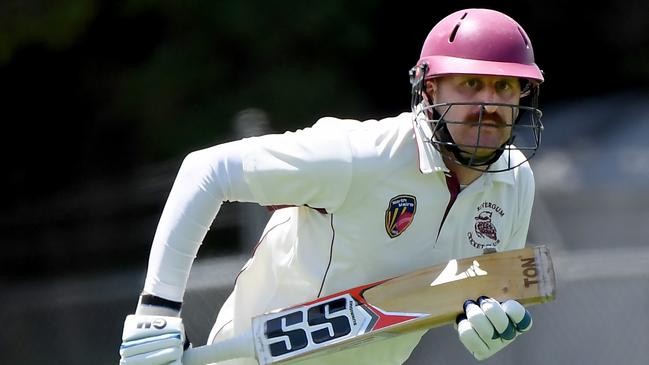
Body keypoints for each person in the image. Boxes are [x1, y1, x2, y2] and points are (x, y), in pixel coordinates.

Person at [119, 7, 545, 365]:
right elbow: (207, 170)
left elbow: (491, 294)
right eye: (471, 84)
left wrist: (495, 328)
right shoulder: (361, 155)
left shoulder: (514, 182)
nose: (489, 105)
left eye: (505, 86)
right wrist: (157, 311)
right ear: (430, 89)